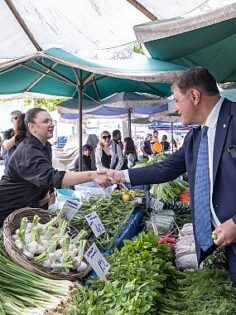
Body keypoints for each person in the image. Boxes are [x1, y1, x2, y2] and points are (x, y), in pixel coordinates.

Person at [106, 67, 236, 285]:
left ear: (194, 96)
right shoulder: (195, 137)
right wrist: (119, 175)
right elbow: (164, 169)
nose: (175, 109)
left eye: (176, 100)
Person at [0, 108, 109, 227]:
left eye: (52, 121)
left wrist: (46, 193)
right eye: (46, 121)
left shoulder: (46, 146)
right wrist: (92, 175)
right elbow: (53, 177)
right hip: (6, 207)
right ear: (32, 127)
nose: (51, 124)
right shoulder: (27, 151)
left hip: (26, 207)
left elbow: (45, 173)